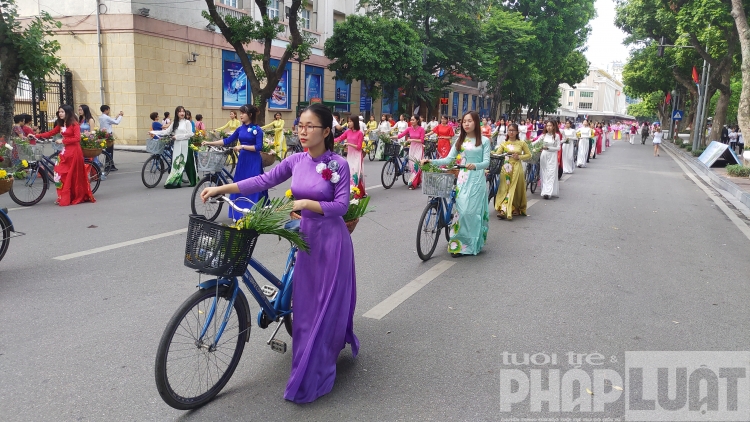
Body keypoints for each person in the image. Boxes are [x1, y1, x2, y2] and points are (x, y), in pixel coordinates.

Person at [200, 103, 359, 404]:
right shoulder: (295, 160)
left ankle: (317, 362)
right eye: (300, 124)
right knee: (305, 309)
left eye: (309, 126)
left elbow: (341, 207)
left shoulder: (338, 165)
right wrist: (224, 189)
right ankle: (304, 356)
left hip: (331, 243)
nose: (302, 130)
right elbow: (263, 180)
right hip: (303, 237)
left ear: (326, 131)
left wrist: (305, 205)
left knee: (320, 309)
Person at [422, 111, 491, 255]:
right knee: (461, 211)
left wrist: (475, 165)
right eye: (464, 121)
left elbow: (486, 162)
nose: (466, 124)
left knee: (470, 212)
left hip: (477, 179)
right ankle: (458, 244)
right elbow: (448, 159)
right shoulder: (460, 140)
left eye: (470, 121)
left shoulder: (484, 141)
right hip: (463, 178)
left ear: (476, 123)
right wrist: (431, 161)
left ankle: (471, 243)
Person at [202, 104, 267, 219]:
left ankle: (252, 212)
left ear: (250, 115)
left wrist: (243, 146)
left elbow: (258, 147)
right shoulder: (240, 129)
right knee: (239, 184)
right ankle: (238, 213)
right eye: (240, 113)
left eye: (243, 113)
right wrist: (210, 143)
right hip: (242, 160)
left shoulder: (257, 130)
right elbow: (227, 140)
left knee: (253, 184)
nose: (241, 115)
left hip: (253, 161)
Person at [37, 105, 96, 206]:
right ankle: (63, 196)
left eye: (62, 112)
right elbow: (51, 133)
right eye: (59, 112)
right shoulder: (61, 124)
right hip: (65, 152)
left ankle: (68, 196)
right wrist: (36, 136)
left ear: (68, 113)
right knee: (59, 174)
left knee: (70, 175)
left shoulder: (74, 124)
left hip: (74, 152)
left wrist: (63, 140)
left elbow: (77, 138)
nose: (60, 113)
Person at [150, 106, 196, 188]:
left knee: (189, 164)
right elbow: (166, 132)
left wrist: (177, 137)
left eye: (183, 111)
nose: (182, 113)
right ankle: (175, 181)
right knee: (177, 163)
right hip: (178, 145)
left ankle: (193, 181)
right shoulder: (175, 122)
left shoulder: (187, 122)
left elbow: (190, 134)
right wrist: (153, 132)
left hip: (186, 144)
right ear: (177, 113)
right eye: (180, 111)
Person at [492, 123, 531, 220]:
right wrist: (491, 153)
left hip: (517, 167)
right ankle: (504, 209)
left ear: (517, 132)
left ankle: (514, 207)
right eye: (509, 130)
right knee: (504, 188)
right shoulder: (504, 143)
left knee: (514, 188)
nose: (511, 132)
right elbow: (498, 154)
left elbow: (529, 155)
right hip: (506, 168)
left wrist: (519, 157)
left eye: (513, 130)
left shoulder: (521, 143)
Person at [335, 116, 366, 198]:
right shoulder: (348, 131)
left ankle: (358, 192)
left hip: (357, 156)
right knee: (350, 173)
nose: (348, 123)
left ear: (355, 122)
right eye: (348, 121)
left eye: (350, 121)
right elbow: (340, 138)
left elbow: (359, 147)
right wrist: (330, 141)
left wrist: (349, 144)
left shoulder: (360, 133)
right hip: (350, 156)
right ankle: (353, 191)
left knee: (356, 172)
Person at [392, 114, 425, 190]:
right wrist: (390, 136)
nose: (411, 121)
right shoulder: (409, 129)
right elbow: (400, 135)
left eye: (413, 120)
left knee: (416, 164)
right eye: (411, 120)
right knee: (411, 165)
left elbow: (422, 140)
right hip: (412, 148)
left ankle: (413, 184)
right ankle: (417, 181)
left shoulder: (421, 129)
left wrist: (411, 140)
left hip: (419, 148)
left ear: (417, 120)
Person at [538, 121, 561, 199]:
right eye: (547, 126)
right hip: (544, 156)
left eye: (550, 125)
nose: (548, 127)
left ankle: (548, 192)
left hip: (552, 156)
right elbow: (536, 142)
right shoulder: (543, 136)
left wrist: (548, 148)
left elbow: (558, 148)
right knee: (544, 173)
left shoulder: (556, 136)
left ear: (553, 127)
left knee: (551, 173)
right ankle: (544, 191)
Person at [98, 105, 123, 171]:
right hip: (108, 135)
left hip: (103, 134)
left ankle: (110, 164)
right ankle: (109, 165)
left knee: (108, 151)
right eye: (109, 110)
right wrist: (120, 116)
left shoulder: (101, 117)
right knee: (110, 151)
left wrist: (116, 117)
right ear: (106, 110)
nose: (109, 111)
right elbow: (116, 122)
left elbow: (110, 121)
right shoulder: (106, 117)